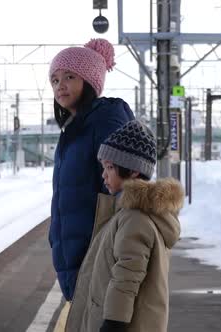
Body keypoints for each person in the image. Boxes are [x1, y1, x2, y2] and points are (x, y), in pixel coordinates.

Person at [48, 39, 135, 330]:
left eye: (70, 77)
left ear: (91, 80)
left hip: (96, 248)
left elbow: (124, 183)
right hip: (77, 248)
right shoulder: (74, 130)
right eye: (55, 79)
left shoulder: (105, 119)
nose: (60, 85)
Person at [65, 120, 183, 332]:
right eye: (104, 167)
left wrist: (113, 324)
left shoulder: (134, 218)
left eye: (110, 167)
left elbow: (127, 277)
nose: (104, 175)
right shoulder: (131, 213)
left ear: (134, 171)